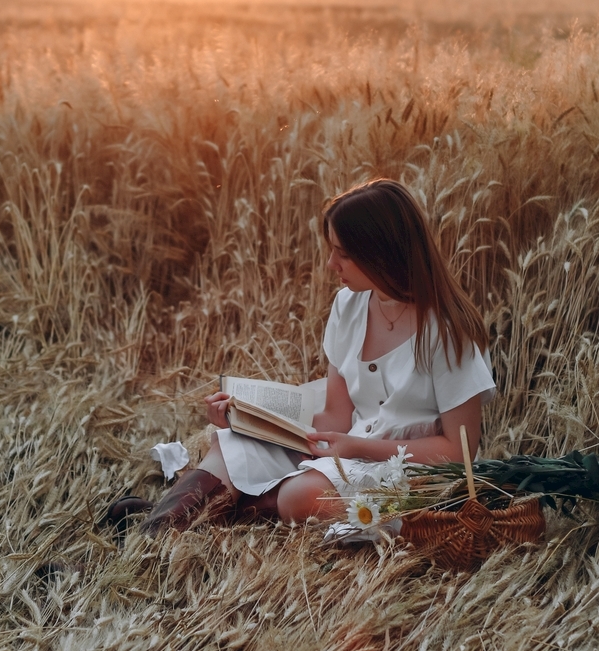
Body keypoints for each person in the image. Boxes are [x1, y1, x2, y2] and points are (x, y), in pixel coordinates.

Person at [108, 179, 495, 536]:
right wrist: (249, 416)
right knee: (230, 444)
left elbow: (459, 451)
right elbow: (335, 418)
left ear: (381, 253)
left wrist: (356, 448)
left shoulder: (446, 332)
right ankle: (156, 531)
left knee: (302, 497)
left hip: (405, 468)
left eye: (342, 254)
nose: (331, 264)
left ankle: (183, 515)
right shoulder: (349, 306)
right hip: (348, 444)